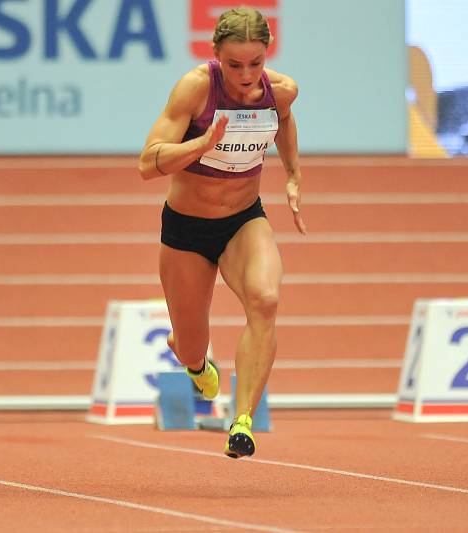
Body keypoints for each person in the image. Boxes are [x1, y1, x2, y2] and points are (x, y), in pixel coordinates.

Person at [138, 7, 306, 458]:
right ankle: (194, 360)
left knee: (266, 300)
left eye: (255, 63)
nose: (247, 75)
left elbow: (284, 123)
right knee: (192, 343)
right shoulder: (196, 88)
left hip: (243, 219)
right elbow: (147, 162)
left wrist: (292, 173)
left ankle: (243, 420)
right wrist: (202, 143)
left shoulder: (281, 91)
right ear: (215, 55)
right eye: (234, 65)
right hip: (187, 230)